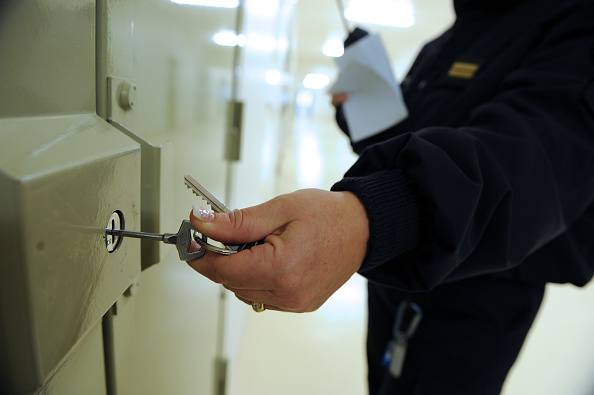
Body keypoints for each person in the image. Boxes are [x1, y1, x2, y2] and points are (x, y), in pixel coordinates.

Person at [187, 0, 594, 393]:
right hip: (396, 268)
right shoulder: (451, 39)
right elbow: (415, 137)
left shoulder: (574, 21)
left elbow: (536, 155)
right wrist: (364, 111)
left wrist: (376, 216)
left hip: (478, 292)